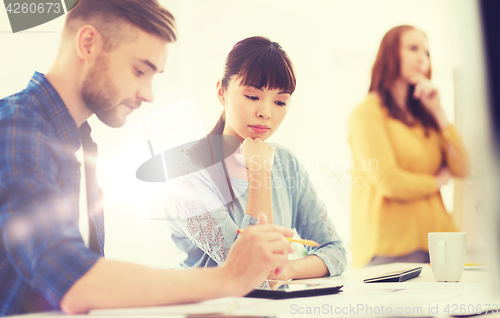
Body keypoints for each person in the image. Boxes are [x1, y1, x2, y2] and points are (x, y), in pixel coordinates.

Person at [0, 0, 294, 315]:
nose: (148, 94)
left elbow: (84, 278)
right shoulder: (18, 128)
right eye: (139, 70)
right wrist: (231, 276)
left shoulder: (79, 143)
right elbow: (74, 282)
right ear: (88, 43)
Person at [166, 36, 347, 282]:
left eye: (280, 102)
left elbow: (335, 250)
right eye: (253, 97)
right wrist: (260, 171)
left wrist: (286, 270)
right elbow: (251, 269)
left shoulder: (286, 161)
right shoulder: (186, 172)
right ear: (221, 91)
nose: (266, 113)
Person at [348, 25, 472, 268]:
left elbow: (463, 167)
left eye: (426, 52)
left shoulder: (426, 117)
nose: (422, 58)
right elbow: (389, 181)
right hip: (392, 249)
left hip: (440, 244)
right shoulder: (367, 114)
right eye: (413, 48)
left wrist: (439, 112)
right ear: (390, 54)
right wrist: (435, 182)